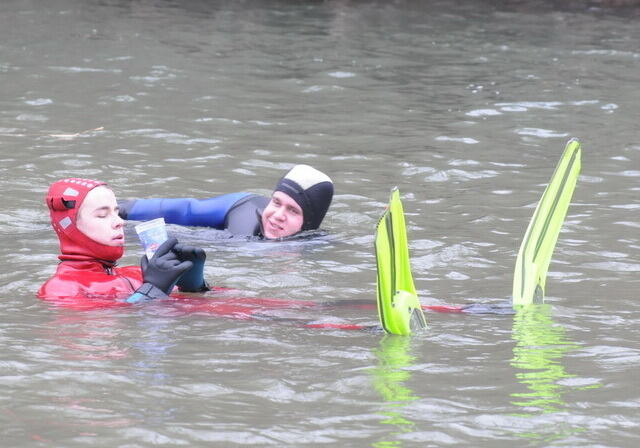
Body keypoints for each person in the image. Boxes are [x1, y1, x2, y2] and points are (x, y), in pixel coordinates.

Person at [38, 178, 210, 305]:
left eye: (116, 212)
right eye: (102, 215)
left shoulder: (141, 273)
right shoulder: (61, 288)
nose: (120, 222)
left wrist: (193, 286)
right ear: (70, 227)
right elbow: (121, 324)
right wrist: (153, 290)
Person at [118, 164, 334, 239]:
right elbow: (184, 209)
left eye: (293, 211)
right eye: (276, 202)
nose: (277, 215)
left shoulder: (314, 247)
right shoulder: (245, 211)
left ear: (310, 224)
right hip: (234, 207)